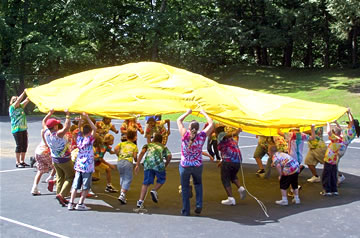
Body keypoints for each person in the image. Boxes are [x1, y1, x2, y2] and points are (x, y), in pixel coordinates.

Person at [177, 109, 213, 216]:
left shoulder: (185, 135)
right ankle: (198, 204)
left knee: (184, 187)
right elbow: (211, 123)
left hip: (185, 165)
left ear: (189, 128)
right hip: (197, 164)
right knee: (198, 184)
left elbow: (179, 120)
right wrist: (204, 113)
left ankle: (186, 210)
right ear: (197, 129)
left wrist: (187, 113)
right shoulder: (202, 136)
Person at [43, 109, 74, 206]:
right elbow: (67, 127)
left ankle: (59, 194)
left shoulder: (46, 132)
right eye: (56, 124)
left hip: (55, 158)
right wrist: (68, 115)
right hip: (64, 159)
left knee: (60, 176)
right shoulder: (58, 135)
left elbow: (44, 122)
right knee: (70, 177)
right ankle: (62, 195)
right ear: (55, 126)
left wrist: (50, 113)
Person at [68, 113, 97, 210]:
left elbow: (79, 127)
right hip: (87, 166)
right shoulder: (89, 139)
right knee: (86, 186)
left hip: (79, 164)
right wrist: (87, 118)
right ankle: (80, 203)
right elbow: (95, 129)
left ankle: (71, 202)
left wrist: (81, 119)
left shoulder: (79, 138)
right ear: (89, 132)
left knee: (75, 185)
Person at [135, 133, 172, 208]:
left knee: (146, 183)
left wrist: (137, 164)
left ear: (153, 139)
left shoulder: (148, 145)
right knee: (162, 179)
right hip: (158, 165)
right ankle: (154, 190)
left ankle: (140, 201)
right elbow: (169, 156)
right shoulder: (163, 147)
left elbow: (142, 153)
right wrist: (166, 164)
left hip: (148, 164)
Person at [215, 126, 246, 206]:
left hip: (228, 161)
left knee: (225, 178)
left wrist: (236, 132)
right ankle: (240, 188)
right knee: (232, 175)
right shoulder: (231, 140)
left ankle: (231, 198)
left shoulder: (221, 135)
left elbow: (225, 136)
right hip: (237, 160)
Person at [336, 109, 360, 184]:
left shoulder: (352, 130)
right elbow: (340, 129)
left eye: (349, 123)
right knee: (334, 164)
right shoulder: (348, 130)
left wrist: (349, 113)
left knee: (333, 164)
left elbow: (351, 120)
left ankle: (339, 177)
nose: (348, 124)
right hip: (340, 147)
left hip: (341, 148)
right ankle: (339, 176)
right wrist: (335, 122)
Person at [114, 130, 138, 204]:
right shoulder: (134, 146)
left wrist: (118, 155)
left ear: (126, 137)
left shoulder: (121, 143)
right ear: (135, 138)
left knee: (122, 176)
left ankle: (122, 190)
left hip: (120, 161)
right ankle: (122, 194)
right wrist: (136, 161)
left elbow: (115, 149)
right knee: (128, 178)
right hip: (128, 162)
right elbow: (134, 156)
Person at [321, 121, 344, 196]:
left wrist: (328, 124)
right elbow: (340, 130)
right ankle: (334, 189)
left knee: (326, 174)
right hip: (334, 159)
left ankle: (327, 190)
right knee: (333, 174)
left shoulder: (335, 139)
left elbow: (328, 132)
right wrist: (336, 123)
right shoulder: (341, 138)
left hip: (329, 158)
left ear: (335, 133)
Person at [9, 91, 30, 168]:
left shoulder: (20, 107)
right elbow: (19, 101)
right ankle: (17, 162)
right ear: (12, 102)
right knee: (19, 145)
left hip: (23, 129)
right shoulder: (12, 108)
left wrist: (31, 93)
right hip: (16, 129)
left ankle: (22, 161)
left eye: (16, 99)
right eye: (15, 100)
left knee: (25, 145)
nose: (16, 100)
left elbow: (27, 100)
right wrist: (24, 92)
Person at [31, 129, 55, 195]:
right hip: (45, 152)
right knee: (57, 165)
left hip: (38, 151)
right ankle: (52, 178)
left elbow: (43, 126)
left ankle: (34, 187)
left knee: (40, 171)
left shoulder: (45, 132)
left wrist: (47, 117)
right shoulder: (54, 136)